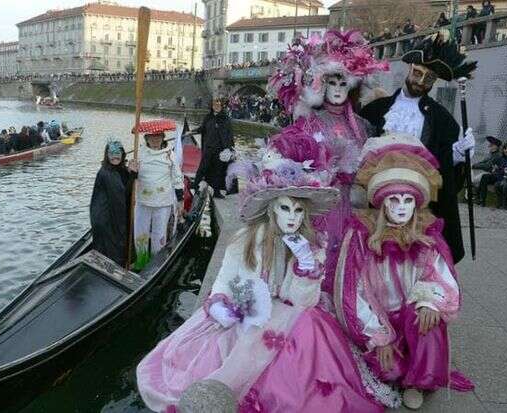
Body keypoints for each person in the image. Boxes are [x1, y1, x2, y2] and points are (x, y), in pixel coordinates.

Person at [137, 157, 400, 412]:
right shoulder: (246, 241)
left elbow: (302, 302)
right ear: (272, 208)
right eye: (285, 208)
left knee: (308, 328)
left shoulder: (312, 246)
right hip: (247, 313)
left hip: (290, 315)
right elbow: (225, 283)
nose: (293, 218)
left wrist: (305, 266)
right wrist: (223, 308)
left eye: (299, 211)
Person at [334, 134, 474, 410]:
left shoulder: (426, 235)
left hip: (411, 316)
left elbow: (439, 276)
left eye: (408, 200)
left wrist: (428, 302)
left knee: (430, 317)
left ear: (416, 203)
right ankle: (400, 365)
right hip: (379, 319)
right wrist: (378, 337)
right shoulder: (361, 236)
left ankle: (418, 380)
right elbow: (352, 291)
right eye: (393, 200)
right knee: (389, 372)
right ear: (382, 202)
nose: (400, 208)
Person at [266, 29, 389, 295]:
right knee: (314, 259)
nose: (337, 89)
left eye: (343, 83)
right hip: (317, 209)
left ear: (352, 87)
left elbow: (368, 171)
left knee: (345, 261)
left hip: (349, 207)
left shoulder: (362, 126)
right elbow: (294, 165)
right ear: (322, 85)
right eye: (332, 83)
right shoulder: (308, 122)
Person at [360, 31, 478, 264]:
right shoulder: (376, 110)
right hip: (374, 196)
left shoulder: (442, 119)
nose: (421, 82)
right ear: (409, 69)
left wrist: (457, 154)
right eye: (417, 73)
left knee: (411, 254)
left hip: (417, 201)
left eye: (429, 79)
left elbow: (443, 168)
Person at [134, 120, 184, 269]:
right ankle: (141, 261)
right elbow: (132, 176)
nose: (155, 139)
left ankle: (155, 264)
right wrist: (132, 170)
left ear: (163, 138)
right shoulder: (139, 153)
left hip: (163, 202)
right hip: (143, 201)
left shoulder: (170, 155)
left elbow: (177, 178)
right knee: (140, 234)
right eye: (151, 137)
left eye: (158, 137)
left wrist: (180, 200)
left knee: (158, 235)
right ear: (146, 138)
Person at [90, 141, 138, 266]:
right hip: (107, 219)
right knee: (113, 249)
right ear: (107, 155)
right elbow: (122, 196)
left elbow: (124, 188)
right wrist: (133, 175)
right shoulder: (107, 173)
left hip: (112, 213)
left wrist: (131, 173)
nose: (115, 156)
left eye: (118, 153)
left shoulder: (120, 169)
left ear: (123, 155)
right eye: (111, 153)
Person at [190, 98, 234, 198]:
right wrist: (191, 131)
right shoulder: (208, 117)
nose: (217, 106)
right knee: (202, 168)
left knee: (218, 171)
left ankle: (217, 192)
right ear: (212, 106)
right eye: (215, 104)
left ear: (221, 106)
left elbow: (229, 134)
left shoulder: (225, 119)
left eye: (218, 105)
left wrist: (229, 149)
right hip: (208, 148)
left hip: (219, 150)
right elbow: (202, 128)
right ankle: (195, 187)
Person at [476, 142, 507, 206]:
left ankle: (479, 197)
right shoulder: (500, 157)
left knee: (486, 178)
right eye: (505, 149)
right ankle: (482, 200)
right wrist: (494, 169)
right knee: (484, 177)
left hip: (504, 178)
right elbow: (491, 166)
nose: (506, 151)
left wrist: (498, 169)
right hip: (497, 176)